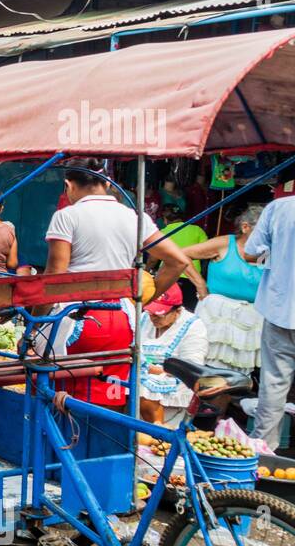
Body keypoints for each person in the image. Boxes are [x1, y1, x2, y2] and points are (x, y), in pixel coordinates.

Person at [43, 158, 192, 407]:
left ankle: (64, 444)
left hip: (79, 319)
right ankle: (108, 444)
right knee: (111, 393)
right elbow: (178, 261)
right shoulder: (135, 217)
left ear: (68, 185)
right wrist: (146, 299)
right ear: (106, 183)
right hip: (123, 320)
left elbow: (55, 276)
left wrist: (40, 319)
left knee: (61, 395)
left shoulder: (67, 216)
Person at [242, 169, 295, 469]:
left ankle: (263, 457)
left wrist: (278, 256)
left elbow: (250, 252)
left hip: (279, 310)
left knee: (272, 386)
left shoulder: (280, 206)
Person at [179, 204, 264, 371]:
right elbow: (181, 254)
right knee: (207, 367)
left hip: (251, 321)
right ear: (245, 227)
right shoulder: (225, 243)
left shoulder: (272, 251)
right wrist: (200, 285)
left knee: (240, 373)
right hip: (216, 316)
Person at [137, 285, 209, 428]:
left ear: (177, 311)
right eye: (151, 312)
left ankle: (159, 432)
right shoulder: (145, 318)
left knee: (143, 388)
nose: (153, 317)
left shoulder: (194, 326)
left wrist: (153, 370)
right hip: (145, 373)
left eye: (160, 314)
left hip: (176, 380)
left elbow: (191, 369)